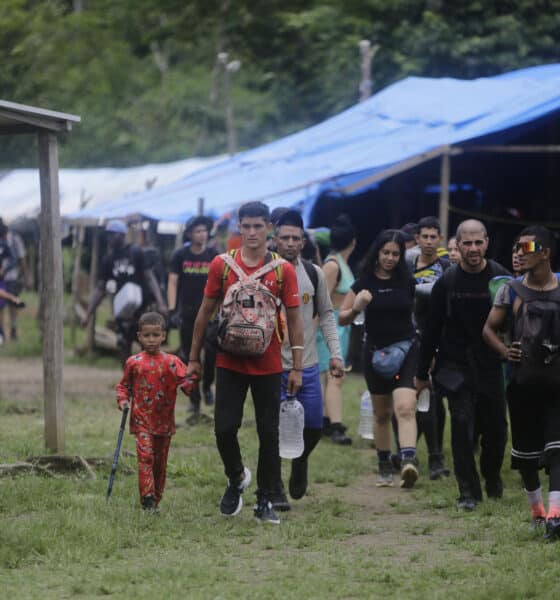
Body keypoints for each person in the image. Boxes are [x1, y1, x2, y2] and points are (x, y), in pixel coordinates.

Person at [186, 201, 304, 524]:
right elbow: (203, 314)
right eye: (246, 226)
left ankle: (264, 498)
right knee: (224, 428)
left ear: (270, 228)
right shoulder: (221, 266)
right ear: (239, 227)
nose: (252, 233)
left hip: (268, 364)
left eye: (258, 226)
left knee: (269, 433)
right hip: (228, 361)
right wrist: (194, 359)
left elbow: (295, 320)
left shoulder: (283, 270)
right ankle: (236, 476)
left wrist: (296, 365)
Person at [416, 219, 510, 511]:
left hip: (491, 364)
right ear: (456, 245)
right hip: (454, 366)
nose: (473, 249)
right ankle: (467, 492)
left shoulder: (500, 279)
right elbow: (431, 329)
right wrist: (421, 373)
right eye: (466, 243)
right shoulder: (448, 282)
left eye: (478, 242)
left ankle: (492, 476)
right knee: (461, 426)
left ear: (487, 243)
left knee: (496, 430)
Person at [483, 226, 560, 538]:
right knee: (526, 456)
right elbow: (488, 328)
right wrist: (505, 351)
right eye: (517, 247)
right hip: (522, 383)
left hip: (558, 384)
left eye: (527, 248)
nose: (520, 253)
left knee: (557, 448)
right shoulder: (509, 290)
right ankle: (538, 513)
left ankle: (555, 516)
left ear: (545, 253)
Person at [271, 209, 344, 510]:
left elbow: (327, 314)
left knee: (313, 425)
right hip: (272, 366)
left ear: (303, 241)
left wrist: (336, 354)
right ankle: (275, 490)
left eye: (295, 238)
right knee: (272, 430)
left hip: (309, 364)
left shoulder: (313, 273)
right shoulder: (264, 272)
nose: (290, 243)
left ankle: (300, 462)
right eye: (284, 237)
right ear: (274, 240)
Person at [339, 229, 420, 489]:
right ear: (377, 252)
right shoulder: (363, 281)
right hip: (375, 352)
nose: (390, 258)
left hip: (407, 348)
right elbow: (341, 318)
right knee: (382, 413)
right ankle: (384, 464)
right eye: (386, 252)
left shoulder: (408, 281)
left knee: (406, 406)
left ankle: (408, 460)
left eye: (396, 254)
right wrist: (357, 307)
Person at [115, 312, 191, 512]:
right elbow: (123, 386)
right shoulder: (134, 362)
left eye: (155, 335)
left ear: (164, 336)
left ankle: (156, 497)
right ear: (139, 336)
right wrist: (123, 401)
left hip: (164, 423)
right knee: (145, 457)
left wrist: (192, 382)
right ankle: (147, 498)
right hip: (142, 421)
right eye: (147, 335)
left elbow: (188, 383)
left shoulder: (172, 362)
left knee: (160, 463)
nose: (151, 340)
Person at [82, 220, 168, 365]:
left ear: (121, 235)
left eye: (112, 235)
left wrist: (160, 303)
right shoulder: (108, 260)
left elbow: (149, 277)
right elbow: (100, 288)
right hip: (123, 310)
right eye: (107, 235)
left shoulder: (136, 252)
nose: (108, 238)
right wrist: (88, 313)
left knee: (148, 345)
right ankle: (127, 384)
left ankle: (148, 381)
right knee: (123, 345)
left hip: (142, 309)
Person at [407, 216, 450, 480]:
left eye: (434, 236)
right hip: (409, 339)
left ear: (440, 239)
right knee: (412, 397)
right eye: (425, 236)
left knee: (434, 400)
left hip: (438, 340)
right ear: (417, 239)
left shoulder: (446, 268)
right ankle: (413, 453)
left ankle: (433, 456)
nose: (429, 241)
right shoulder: (405, 265)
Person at [167, 216, 217, 415]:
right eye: (197, 231)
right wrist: (172, 309)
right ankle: (194, 400)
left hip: (211, 315)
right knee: (189, 357)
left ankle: (207, 386)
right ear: (190, 234)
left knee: (212, 355)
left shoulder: (214, 255)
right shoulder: (180, 255)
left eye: (204, 230)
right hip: (187, 315)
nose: (202, 234)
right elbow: (173, 282)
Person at [317, 214, 356, 445]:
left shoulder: (339, 262)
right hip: (330, 327)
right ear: (354, 241)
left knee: (328, 376)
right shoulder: (332, 265)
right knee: (334, 376)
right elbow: (322, 300)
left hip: (341, 326)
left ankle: (324, 421)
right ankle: (336, 426)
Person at [0, 220, 28, 341]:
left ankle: (13, 329)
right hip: (3, 278)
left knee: (12, 305)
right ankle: (2, 332)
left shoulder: (14, 239)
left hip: (11, 277)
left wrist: (25, 274)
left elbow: (19, 258)